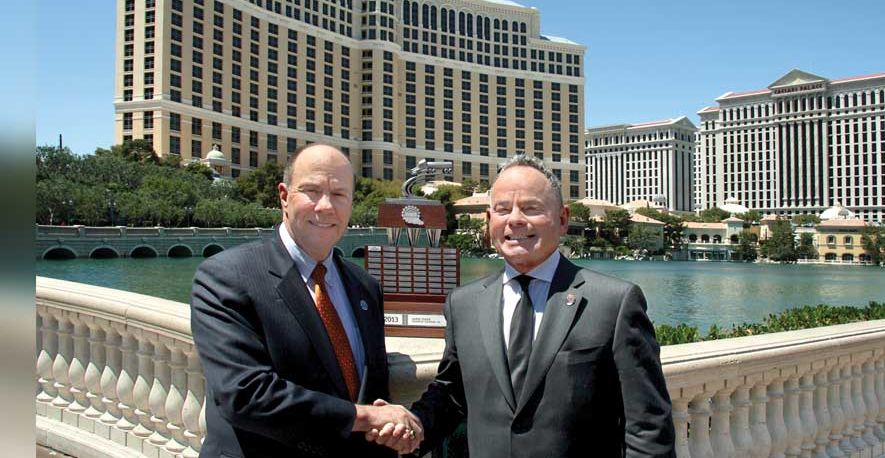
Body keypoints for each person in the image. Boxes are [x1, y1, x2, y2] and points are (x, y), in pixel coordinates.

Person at [370, 154, 675, 457]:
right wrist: (413, 426)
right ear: (489, 221)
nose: (515, 219)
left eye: (531, 208)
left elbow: (648, 430)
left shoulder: (614, 303)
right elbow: (452, 394)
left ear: (563, 220)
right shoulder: (463, 305)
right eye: (503, 209)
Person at [191, 143, 422, 458]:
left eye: (339, 194)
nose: (325, 207)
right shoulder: (226, 277)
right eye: (312, 191)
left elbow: (372, 390)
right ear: (284, 196)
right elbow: (245, 395)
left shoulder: (365, 287)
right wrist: (365, 417)